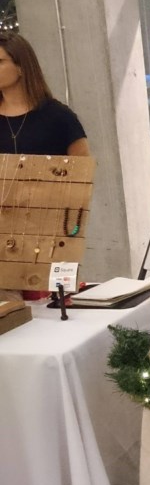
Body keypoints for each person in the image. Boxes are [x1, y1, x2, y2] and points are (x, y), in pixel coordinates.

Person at [0, 33, 89, 302]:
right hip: (2, 237)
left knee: (51, 312)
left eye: (0, 61)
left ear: (22, 66)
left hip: (50, 236)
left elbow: (81, 177)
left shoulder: (59, 117)